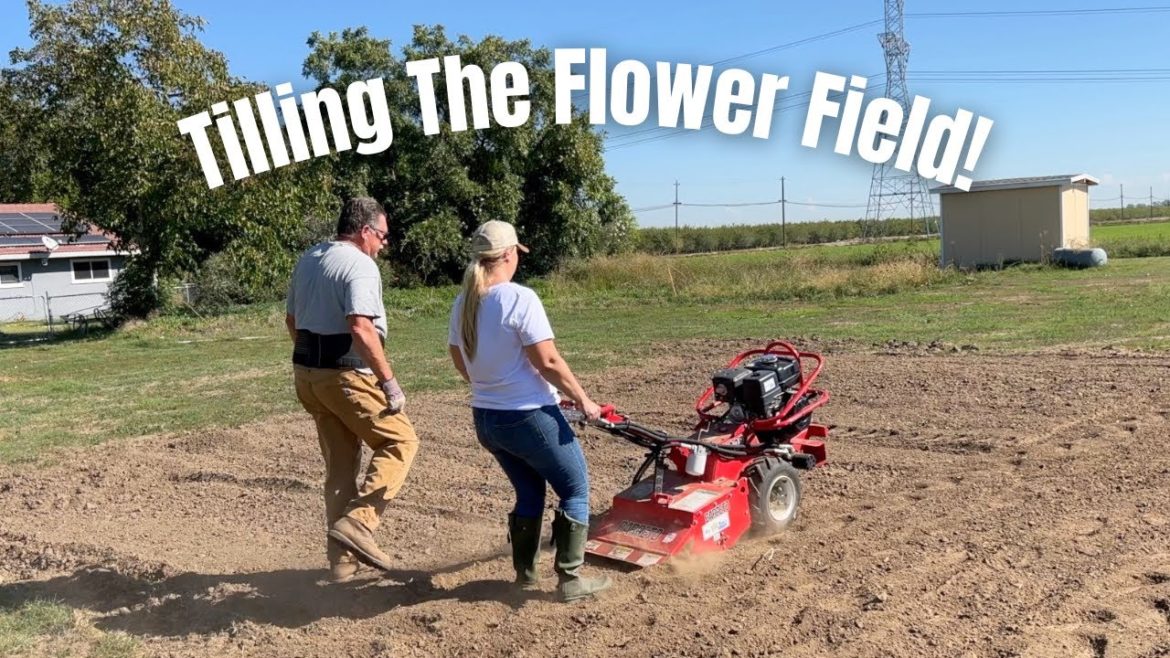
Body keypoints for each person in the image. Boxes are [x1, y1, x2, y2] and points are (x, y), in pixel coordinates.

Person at [447, 220, 612, 602]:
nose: (518, 259)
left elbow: (461, 361)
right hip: (527, 416)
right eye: (517, 253)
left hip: (487, 419)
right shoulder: (520, 299)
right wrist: (584, 400)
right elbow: (549, 360)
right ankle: (571, 581)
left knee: (529, 490)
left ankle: (525, 577)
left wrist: (496, 386)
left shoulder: (463, 302)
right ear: (508, 254)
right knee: (575, 487)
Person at [285, 197, 420, 583]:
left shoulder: (310, 257)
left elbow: (292, 319)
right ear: (364, 232)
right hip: (346, 376)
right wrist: (388, 382)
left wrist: (314, 360)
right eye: (382, 235)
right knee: (401, 442)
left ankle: (342, 563)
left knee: (341, 466)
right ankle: (359, 524)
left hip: (309, 377)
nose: (384, 244)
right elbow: (360, 326)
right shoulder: (360, 264)